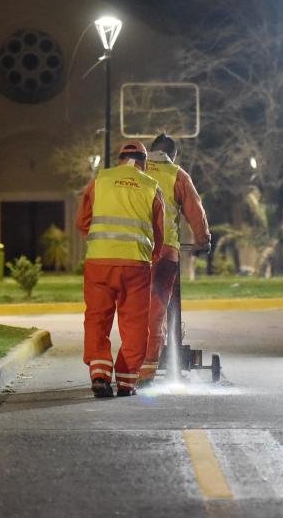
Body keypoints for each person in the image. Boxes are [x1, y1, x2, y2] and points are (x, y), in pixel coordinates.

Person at [77, 140, 164, 397]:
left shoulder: (100, 180)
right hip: (136, 266)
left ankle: (100, 374)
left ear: (119, 160)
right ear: (143, 162)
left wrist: (101, 245)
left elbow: (83, 221)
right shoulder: (151, 186)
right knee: (135, 324)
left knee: (97, 319)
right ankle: (126, 381)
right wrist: (152, 257)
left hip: (99, 264)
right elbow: (158, 233)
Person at [137, 133, 211, 383]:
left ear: (150, 150)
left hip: (134, 251)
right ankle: (148, 368)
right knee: (159, 308)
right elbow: (194, 209)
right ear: (173, 154)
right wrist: (203, 240)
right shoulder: (177, 174)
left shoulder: (136, 170)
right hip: (165, 252)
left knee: (135, 310)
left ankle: (132, 364)